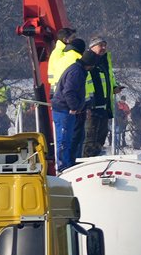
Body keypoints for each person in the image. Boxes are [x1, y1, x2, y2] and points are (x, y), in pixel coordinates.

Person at [48, 36, 88, 170]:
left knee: (65, 137)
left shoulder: (59, 56)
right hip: (68, 107)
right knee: (66, 138)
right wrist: (75, 106)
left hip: (62, 104)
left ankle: (65, 164)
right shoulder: (75, 62)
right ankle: (64, 166)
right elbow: (69, 90)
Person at [80, 38, 116, 157]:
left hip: (103, 107)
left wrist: (114, 87)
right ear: (92, 47)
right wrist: (87, 104)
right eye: (101, 45)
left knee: (102, 135)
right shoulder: (87, 61)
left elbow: (108, 79)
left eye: (105, 45)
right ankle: (87, 158)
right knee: (90, 136)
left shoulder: (104, 62)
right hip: (91, 107)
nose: (104, 48)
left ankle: (95, 156)